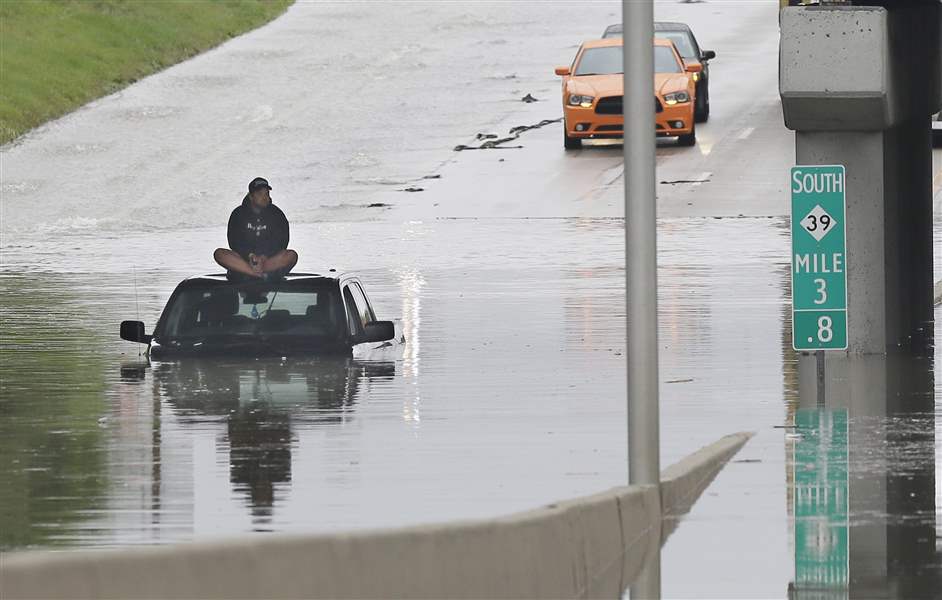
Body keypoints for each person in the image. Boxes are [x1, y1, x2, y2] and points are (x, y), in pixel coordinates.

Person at [214, 177, 298, 280]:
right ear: (251, 196)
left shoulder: (277, 214)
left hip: (268, 262)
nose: (264, 197)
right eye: (260, 194)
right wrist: (249, 255)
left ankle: (254, 272)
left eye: (266, 194)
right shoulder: (238, 214)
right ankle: (255, 274)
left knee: (292, 255)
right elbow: (234, 242)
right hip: (244, 262)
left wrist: (264, 256)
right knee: (219, 254)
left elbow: (281, 241)